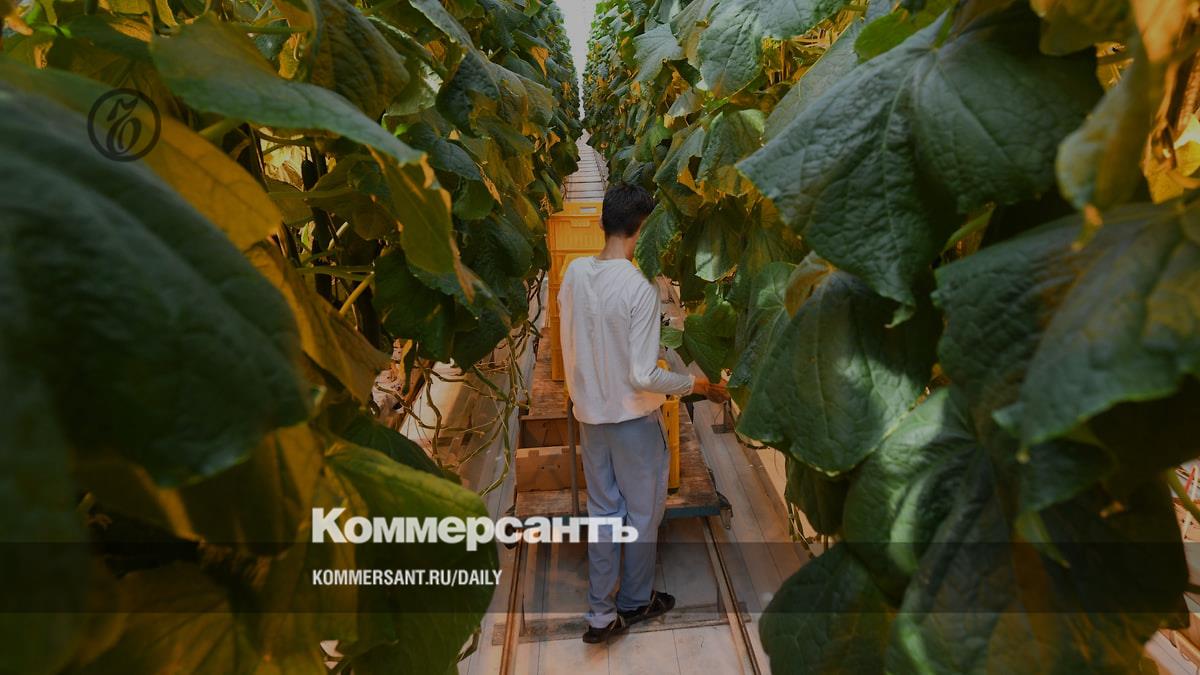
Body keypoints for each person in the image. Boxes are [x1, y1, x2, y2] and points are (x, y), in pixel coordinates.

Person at [557, 183, 729, 644]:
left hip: (591, 419)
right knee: (641, 515)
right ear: (643, 229)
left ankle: (600, 615)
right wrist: (695, 385)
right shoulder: (639, 288)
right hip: (633, 421)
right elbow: (642, 374)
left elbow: (573, 336)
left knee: (603, 513)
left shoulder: (574, 273)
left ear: (603, 222)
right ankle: (634, 601)